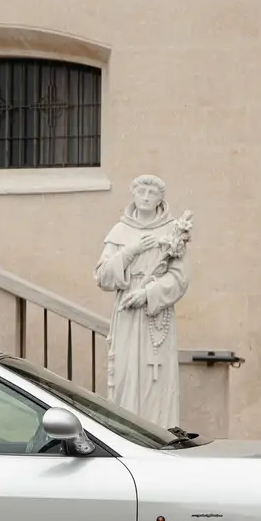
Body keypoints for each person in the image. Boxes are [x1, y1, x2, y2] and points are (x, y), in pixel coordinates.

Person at [93, 174, 191, 429]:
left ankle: (157, 434)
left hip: (156, 316)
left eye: (152, 193)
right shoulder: (119, 231)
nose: (146, 197)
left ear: (161, 198)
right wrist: (128, 251)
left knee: (155, 380)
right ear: (133, 194)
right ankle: (125, 433)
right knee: (125, 378)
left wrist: (147, 294)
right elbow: (102, 276)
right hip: (126, 313)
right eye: (141, 192)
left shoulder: (172, 231)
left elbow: (179, 279)